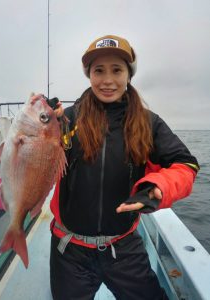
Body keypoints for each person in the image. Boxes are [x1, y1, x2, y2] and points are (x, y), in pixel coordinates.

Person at [48, 35, 199, 300]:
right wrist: (45, 123)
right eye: (99, 71)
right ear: (89, 75)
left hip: (125, 248)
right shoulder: (68, 119)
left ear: (129, 74)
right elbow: (36, 154)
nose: (107, 80)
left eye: (117, 70)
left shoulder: (149, 123)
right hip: (69, 251)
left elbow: (185, 165)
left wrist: (159, 186)